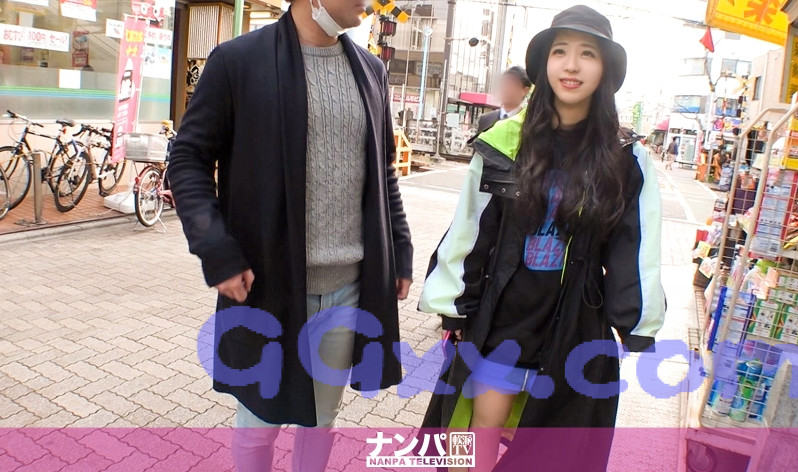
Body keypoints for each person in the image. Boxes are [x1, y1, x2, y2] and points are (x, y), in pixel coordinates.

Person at [167, 0, 414, 470]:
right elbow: (187, 159)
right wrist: (216, 250)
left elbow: (383, 172)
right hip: (267, 286)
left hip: (348, 288)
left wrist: (399, 250)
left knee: (321, 420)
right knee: (258, 424)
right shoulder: (239, 61)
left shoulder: (370, 70)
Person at [418, 6, 665, 472]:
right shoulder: (504, 141)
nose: (571, 65)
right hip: (504, 315)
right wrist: (456, 303)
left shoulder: (624, 158)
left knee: (554, 449)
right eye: (560, 52)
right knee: (477, 430)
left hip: (576, 323)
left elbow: (634, 247)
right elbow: (471, 228)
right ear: (544, 62)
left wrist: (635, 322)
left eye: (587, 54)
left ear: (605, 67)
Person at [475, 66, 533, 136]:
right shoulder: (485, 120)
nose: (505, 89)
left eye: (512, 85)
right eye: (504, 84)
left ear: (525, 90)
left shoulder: (529, 123)